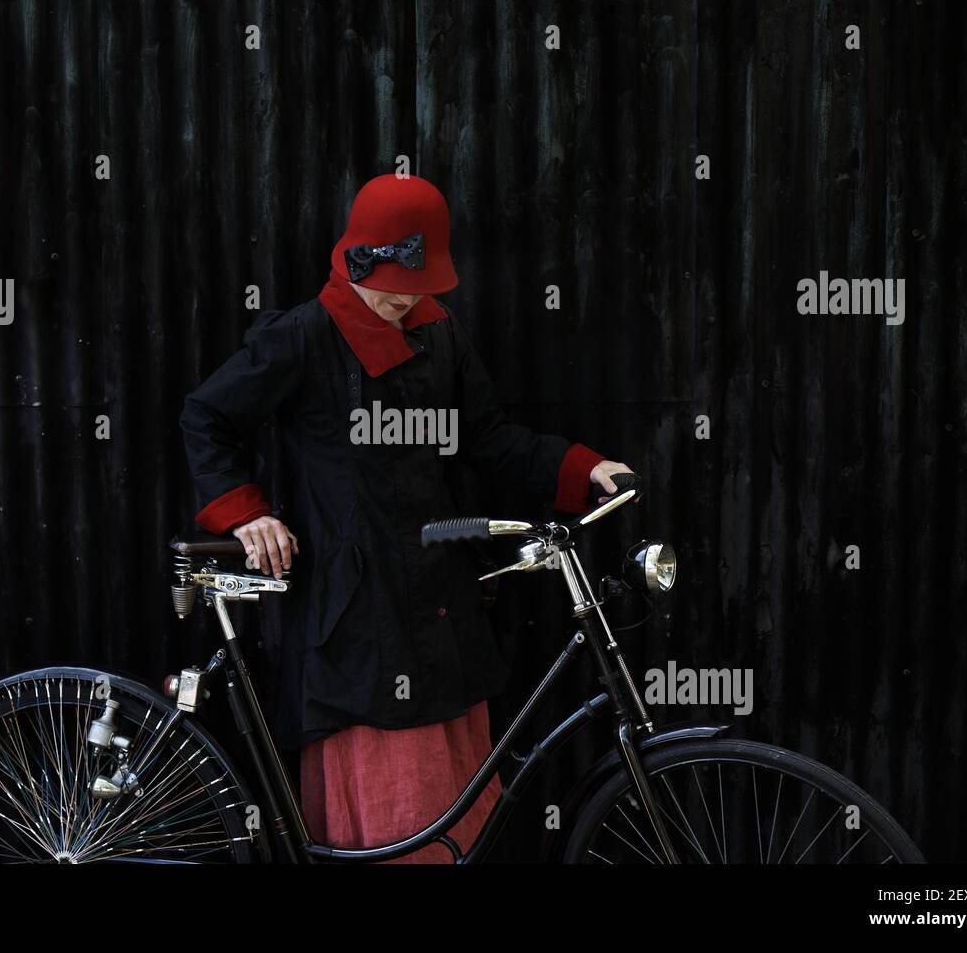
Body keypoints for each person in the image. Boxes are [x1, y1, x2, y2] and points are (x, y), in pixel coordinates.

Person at [181, 173, 633, 862]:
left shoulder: (439, 334)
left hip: (436, 590)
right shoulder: (303, 337)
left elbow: (485, 436)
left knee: (454, 797)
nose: (405, 295)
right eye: (392, 280)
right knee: (393, 797)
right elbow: (207, 415)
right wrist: (247, 514)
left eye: (419, 281)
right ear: (358, 258)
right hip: (357, 601)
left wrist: (582, 469)